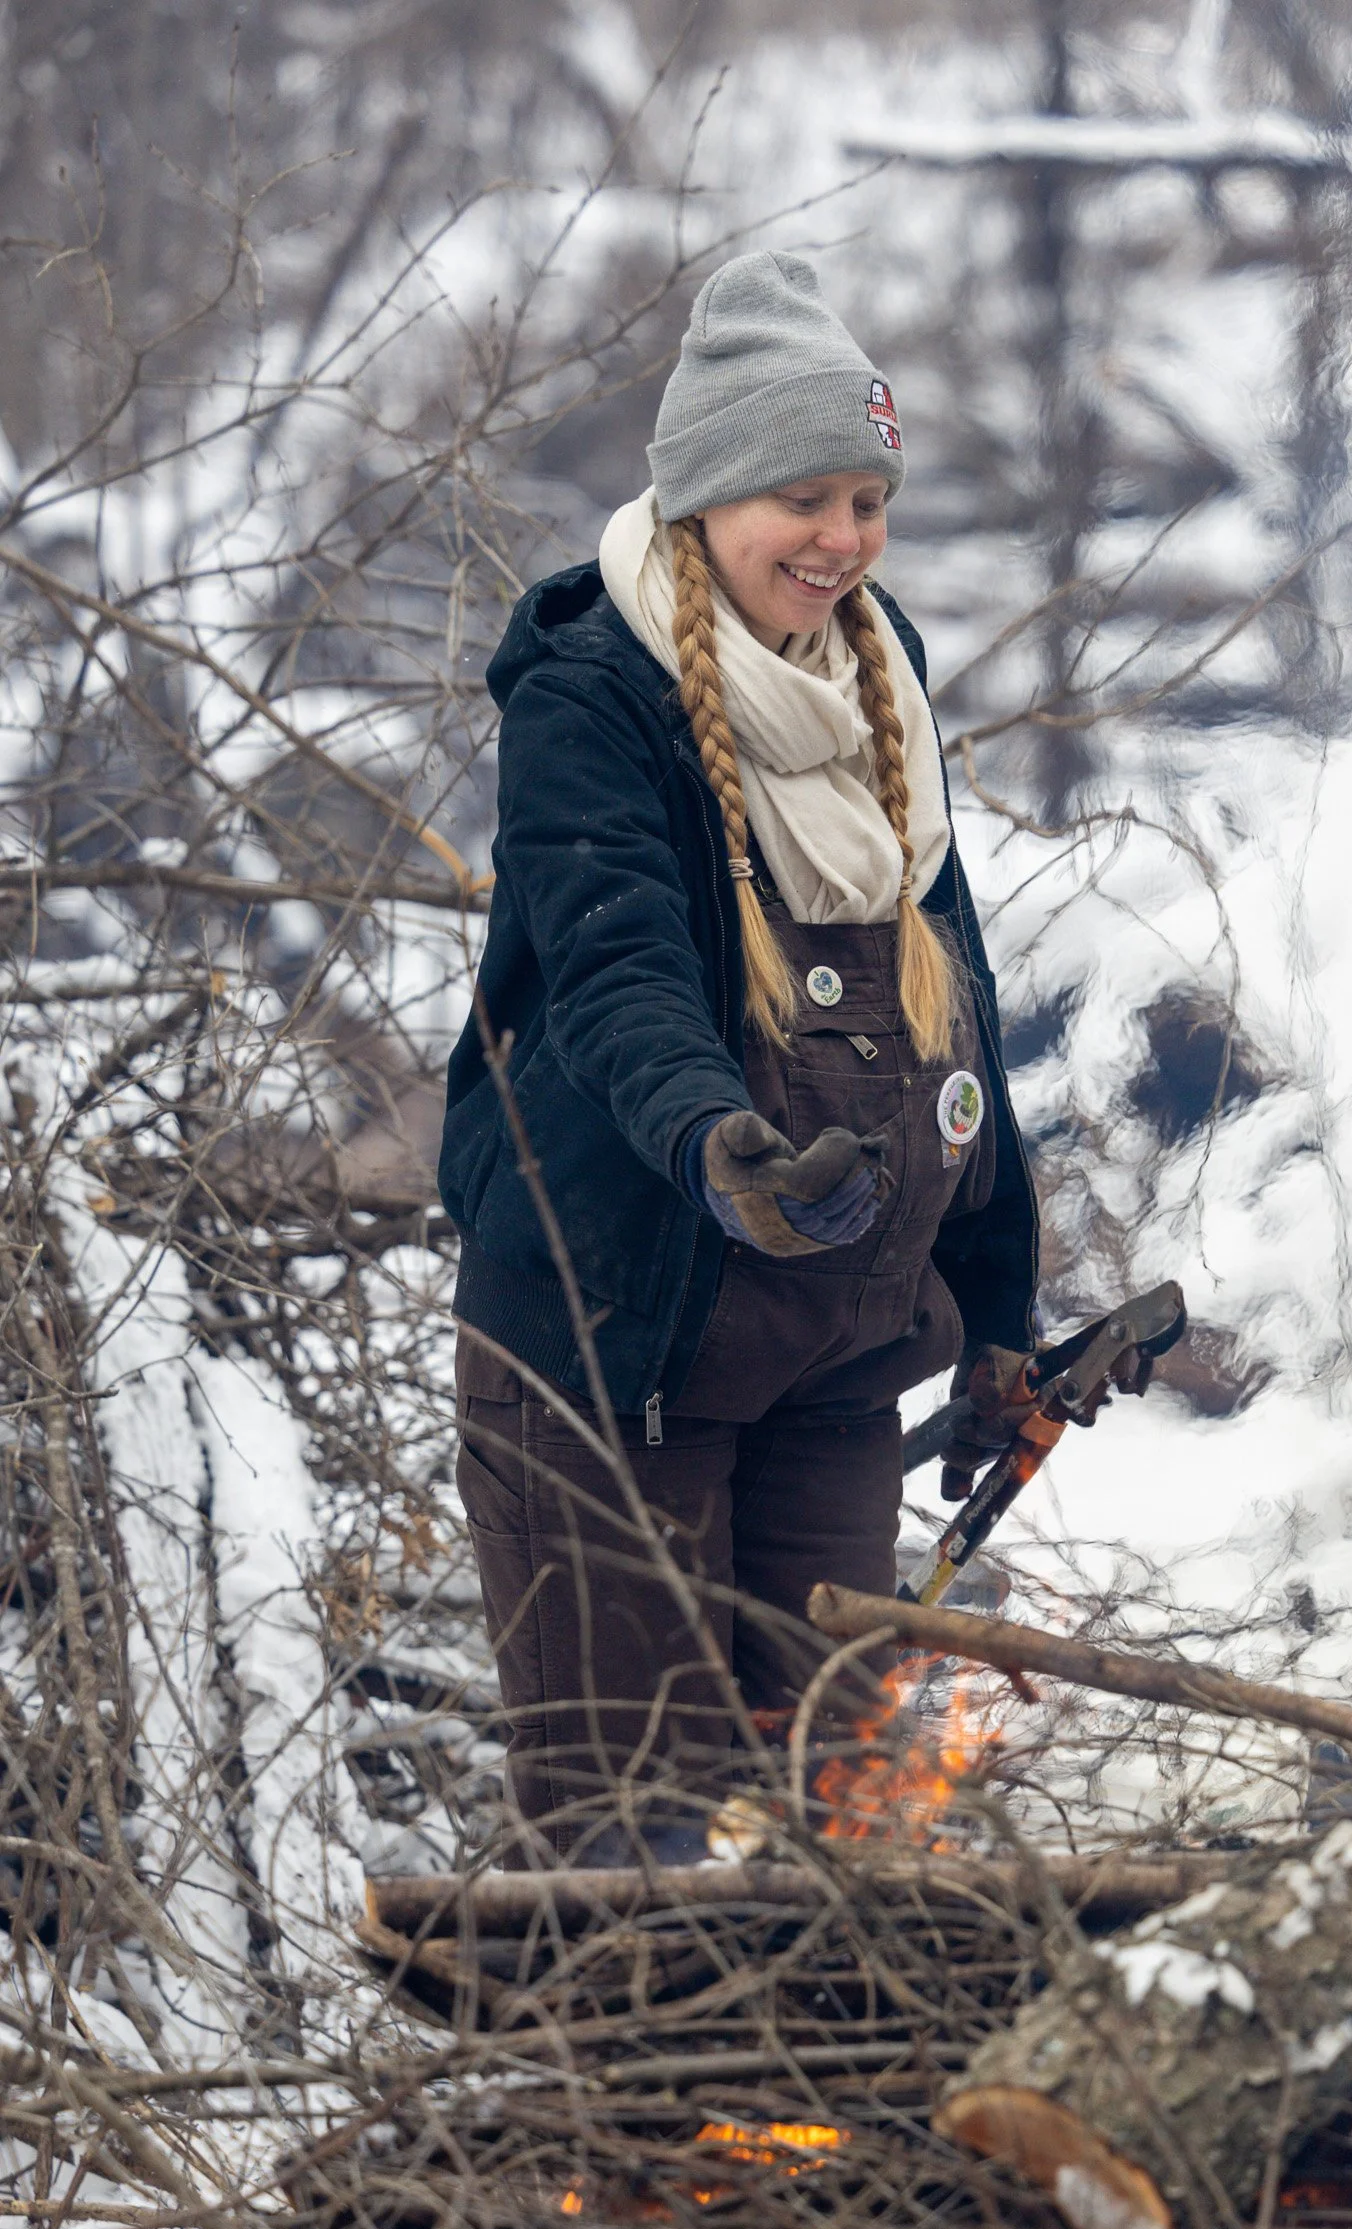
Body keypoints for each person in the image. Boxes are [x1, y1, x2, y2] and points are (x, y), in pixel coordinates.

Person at [439, 250, 1039, 1861]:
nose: (841, 540)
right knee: (630, 1841)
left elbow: (953, 1012)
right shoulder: (593, 692)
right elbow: (615, 968)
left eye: (867, 500)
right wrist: (720, 1145)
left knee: (837, 1823)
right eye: (803, 498)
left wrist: (999, 1312)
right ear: (707, 494)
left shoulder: (881, 675)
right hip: (611, 1356)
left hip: (830, 1358)